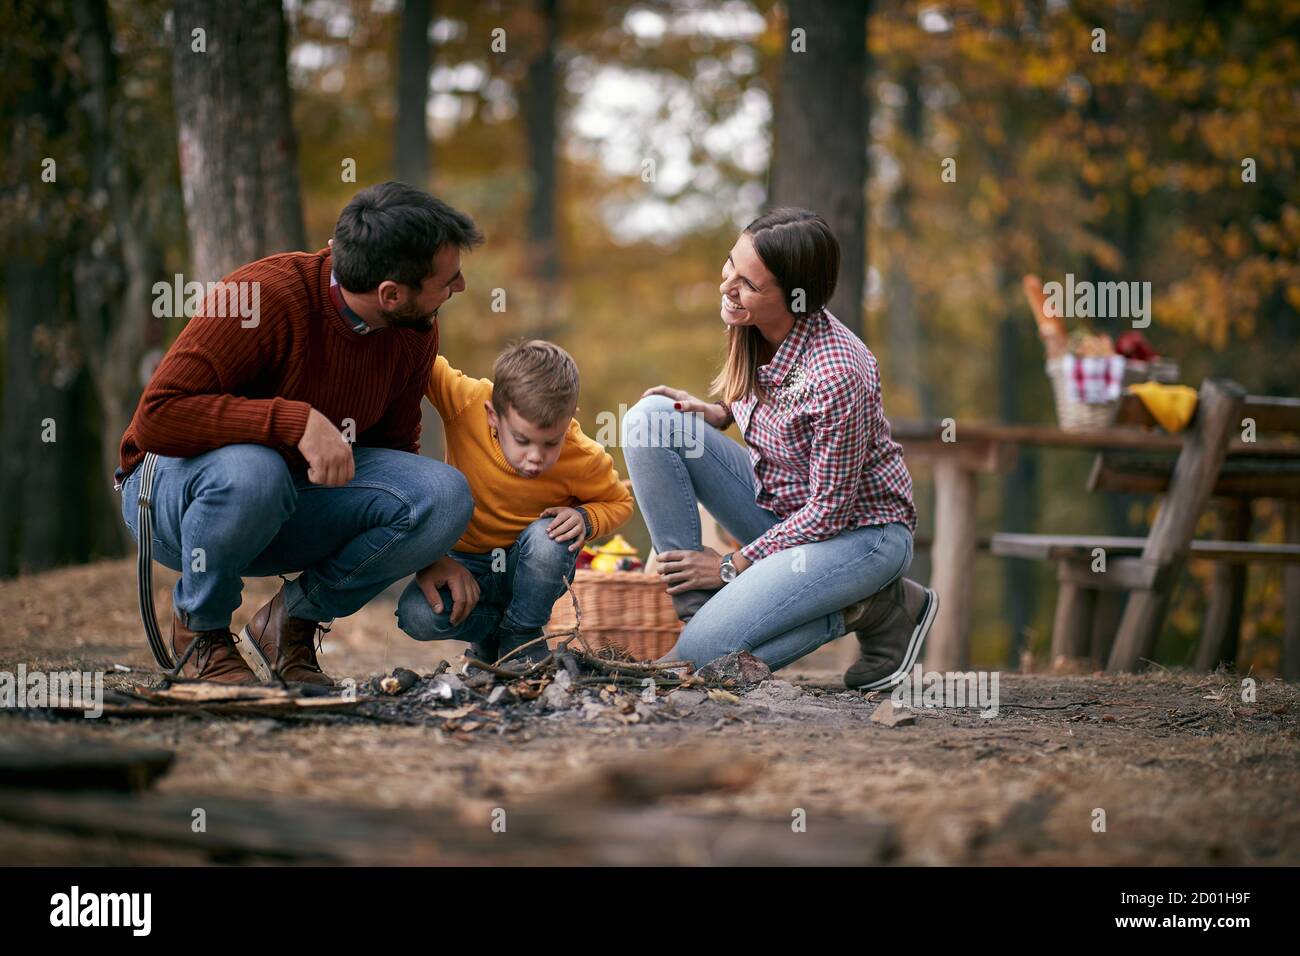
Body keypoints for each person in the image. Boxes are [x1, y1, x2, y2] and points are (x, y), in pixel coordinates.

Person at [116, 182, 482, 686]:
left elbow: (394, 447)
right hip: (174, 502)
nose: (459, 285)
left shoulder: (411, 326)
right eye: (450, 278)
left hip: (289, 505)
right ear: (391, 294)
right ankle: (200, 633)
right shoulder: (264, 295)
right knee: (255, 470)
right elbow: (157, 418)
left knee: (443, 495)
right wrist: (294, 421)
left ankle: (289, 621)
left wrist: (427, 547)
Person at [622, 207, 937, 689]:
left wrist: (728, 566)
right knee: (651, 421)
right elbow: (768, 399)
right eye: (730, 265)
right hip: (782, 513)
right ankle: (697, 606)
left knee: (700, 660)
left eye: (748, 283)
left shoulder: (838, 374)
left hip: (857, 535)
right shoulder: (753, 324)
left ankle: (877, 606)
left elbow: (829, 513)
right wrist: (718, 413)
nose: (727, 285)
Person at [396, 340, 634, 666]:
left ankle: (522, 634)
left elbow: (620, 502)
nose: (536, 458)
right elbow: (415, 354)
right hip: (464, 564)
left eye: (551, 443)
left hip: (528, 568)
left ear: (569, 420)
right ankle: (494, 634)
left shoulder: (584, 456)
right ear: (493, 415)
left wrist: (585, 517)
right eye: (522, 440)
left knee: (550, 536)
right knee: (416, 615)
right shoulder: (466, 401)